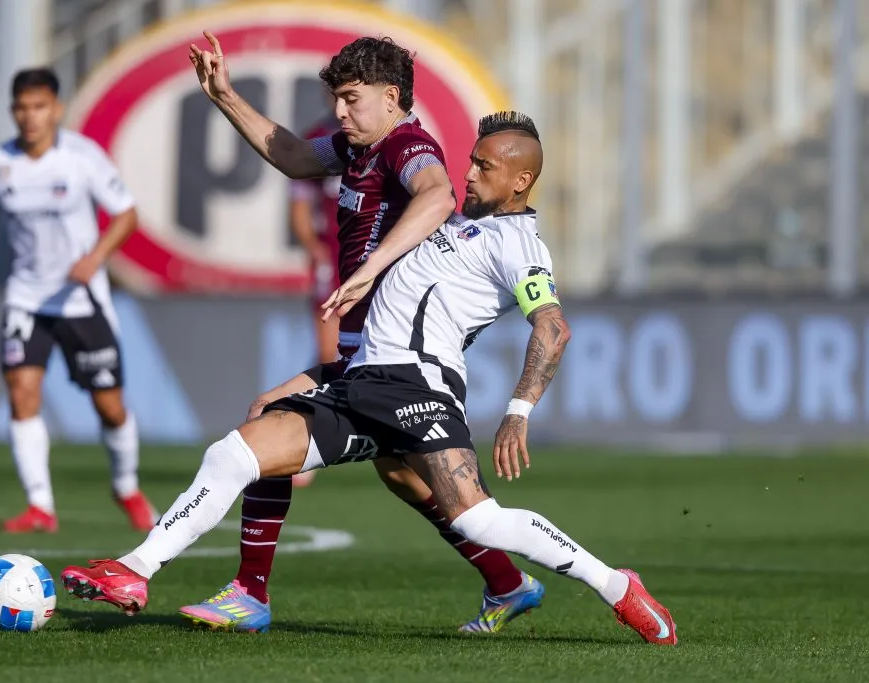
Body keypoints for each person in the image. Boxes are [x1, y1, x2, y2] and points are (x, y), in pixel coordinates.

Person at [59, 111, 679, 646]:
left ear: (521, 180)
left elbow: (552, 327)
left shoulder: (519, 243)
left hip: (417, 387)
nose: (470, 173)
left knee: (478, 520)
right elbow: (304, 160)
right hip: (360, 382)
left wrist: (518, 409)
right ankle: (137, 569)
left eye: (486, 167)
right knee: (236, 452)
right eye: (471, 161)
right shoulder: (461, 227)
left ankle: (618, 586)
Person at [175, 32, 539, 634]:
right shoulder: (356, 151)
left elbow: (437, 192)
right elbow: (292, 155)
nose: (339, 112)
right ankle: (508, 583)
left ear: (391, 96)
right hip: (366, 351)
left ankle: (249, 594)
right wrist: (225, 96)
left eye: (350, 99)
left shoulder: (407, 145)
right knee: (401, 474)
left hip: (394, 356)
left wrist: (370, 270)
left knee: (268, 427)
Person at [0, 68, 156, 533]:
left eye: (39, 106)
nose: (30, 117)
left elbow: (126, 214)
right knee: (21, 393)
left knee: (109, 405)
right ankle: (40, 506)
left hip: (80, 299)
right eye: (22, 108)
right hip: (26, 298)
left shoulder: (81, 158)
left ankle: (126, 486)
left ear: (57, 109)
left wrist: (95, 258)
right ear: (13, 111)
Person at [286, 112, 343, 488]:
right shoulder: (320, 139)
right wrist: (313, 248)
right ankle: (300, 442)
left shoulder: (393, 137)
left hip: (378, 259)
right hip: (334, 261)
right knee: (328, 356)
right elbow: (301, 205)